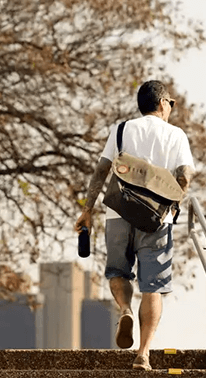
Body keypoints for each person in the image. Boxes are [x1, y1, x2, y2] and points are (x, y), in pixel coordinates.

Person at [74, 80, 195, 371]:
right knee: (152, 288)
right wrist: (173, 202)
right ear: (163, 103)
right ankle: (143, 354)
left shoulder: (121, 129)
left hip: (118, 213)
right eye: (171, 104)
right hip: (157, 220)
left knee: (118, 272)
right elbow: (186, 175)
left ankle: (125, 310)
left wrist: (87, 210)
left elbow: (101, 170)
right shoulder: (176, 135)